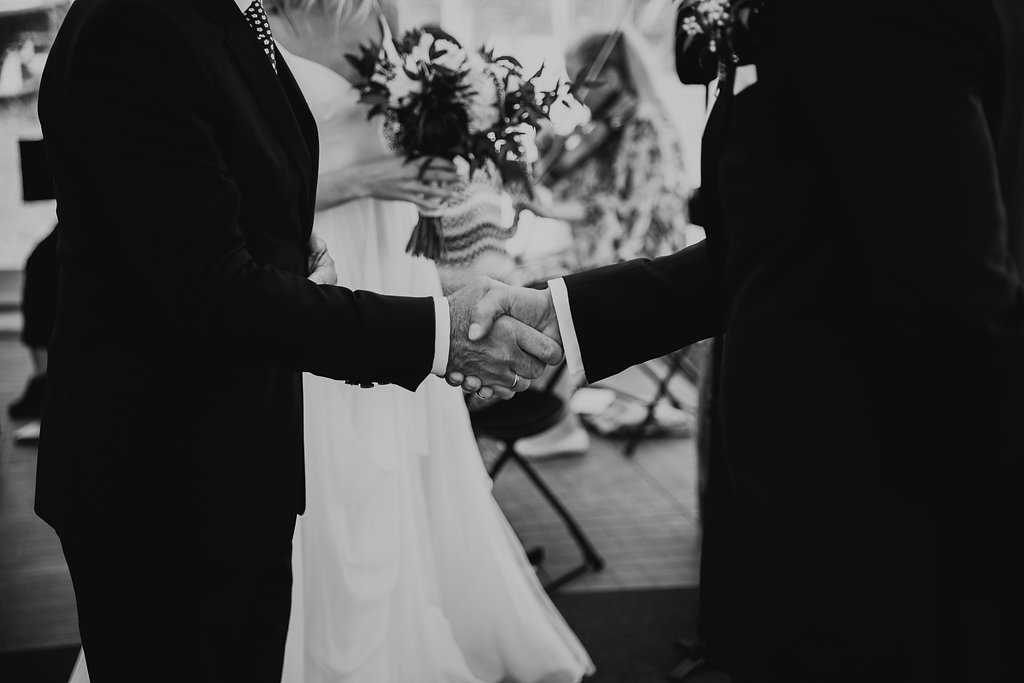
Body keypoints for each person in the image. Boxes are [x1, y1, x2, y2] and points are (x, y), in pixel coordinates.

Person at [455, 1, 1024, 680]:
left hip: (868, 505)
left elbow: (956, 292)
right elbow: (777, 248)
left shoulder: (874, 16)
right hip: (813, 488)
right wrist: (562, 310)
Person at [38, 0, 561, 681]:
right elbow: (208, 288)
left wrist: (286, 231)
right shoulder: (134, 26)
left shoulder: (224, 15)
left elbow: (221, 175)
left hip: (242, 453)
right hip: (161, 474)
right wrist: (438, 335)